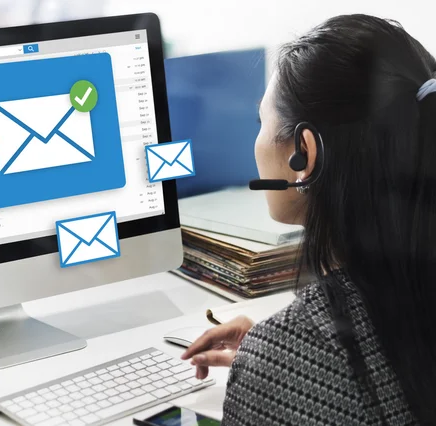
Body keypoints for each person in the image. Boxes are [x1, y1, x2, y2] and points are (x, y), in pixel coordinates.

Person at [182, 14, 436, 426]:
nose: (257, 141)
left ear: (304, 153)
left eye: (261, 123)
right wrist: (290, 348)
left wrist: (283, 358)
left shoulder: (285, 359)